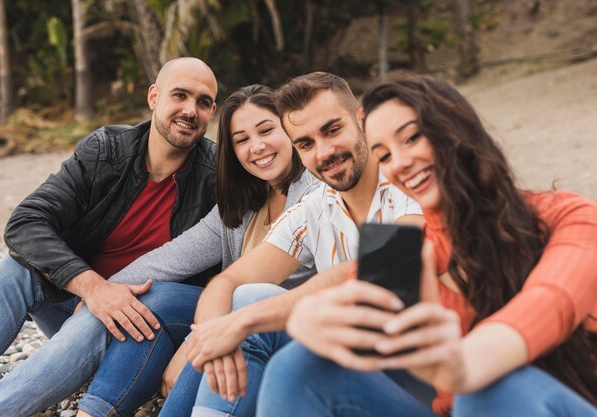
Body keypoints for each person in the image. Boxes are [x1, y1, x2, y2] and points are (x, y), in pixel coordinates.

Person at [257, 72, 597, 417]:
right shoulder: (409, 249)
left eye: (412, 138)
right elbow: (346, 307)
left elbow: (551, 302)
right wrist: (305, 321)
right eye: (384, 155)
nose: (400, 163)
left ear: (454, 128)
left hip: (551, 403)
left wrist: (459, 367)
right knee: (299, 366)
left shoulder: (568, 216)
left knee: (490, 389)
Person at [0, 57, 220, 417]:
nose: (189, 110)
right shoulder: (106, 150)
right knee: (16, 270)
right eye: (179, 95)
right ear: (154, 97)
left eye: (203, 102)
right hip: (78, 307)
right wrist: (94, 289)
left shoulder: (217, 178)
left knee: (112, 311)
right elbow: (26, 222)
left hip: (140, 331)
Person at [174, 72, 424, 417]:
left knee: (285, 356)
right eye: (305, 144)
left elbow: (383, 270)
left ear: (362, 119)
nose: (324, 152)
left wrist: (243, 323)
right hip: (350, 360)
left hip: (415, 384)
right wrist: (214, 337)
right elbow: (228, 282)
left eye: (333, 130)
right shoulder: (316, 207)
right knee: (243, 301)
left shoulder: (407, 182)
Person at [73, 84, 320, 417]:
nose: (257, 147)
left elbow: (254, 298)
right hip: (234, 319)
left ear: (289, 131)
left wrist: (191, 348)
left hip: (287, 331)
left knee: (230, 324)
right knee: (154, 298)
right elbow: (171, 258)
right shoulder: (242, 205)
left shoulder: (316, 196)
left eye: (266, 130)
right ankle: (94, 412)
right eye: (242, 140)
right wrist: (98, 291)